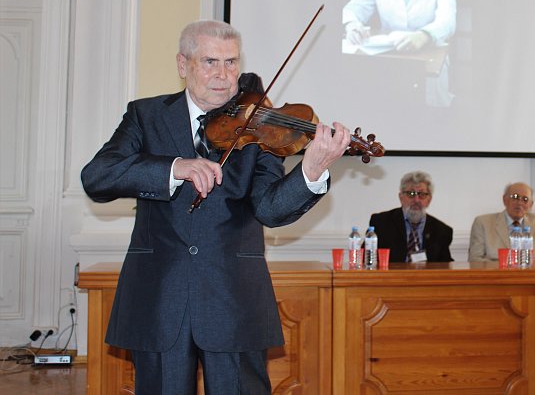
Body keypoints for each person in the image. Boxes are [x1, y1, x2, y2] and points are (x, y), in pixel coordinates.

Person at [81, 20, 351, 394]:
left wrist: (311, 171)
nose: (223, 75)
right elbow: (97, 177)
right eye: (210, 62)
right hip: (159, 297)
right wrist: (174, 167)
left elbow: (270, 210)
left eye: (231, 62)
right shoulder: (147, 115)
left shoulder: (258, 124)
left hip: (234, 298)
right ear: (183, 64)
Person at [369, 171, 454, 263]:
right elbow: (366, 259)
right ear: (401, 197)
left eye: (422, 194)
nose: (416, 200)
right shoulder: (381, 223)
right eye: (411, 193)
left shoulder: (442, 231)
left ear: (429, 199)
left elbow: (446, 266)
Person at [468, 182, 535, 262]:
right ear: (505, 200)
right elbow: (475, 259)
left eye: (525, 199)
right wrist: (506, 268)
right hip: (496, 275)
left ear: (531, 205)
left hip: (532, 275)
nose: (519, 203)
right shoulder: (483, 223)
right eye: (515, 197)